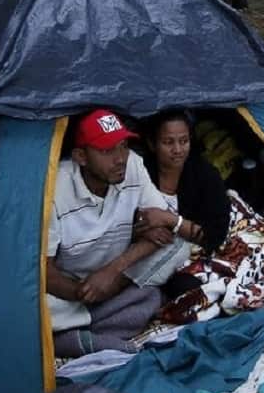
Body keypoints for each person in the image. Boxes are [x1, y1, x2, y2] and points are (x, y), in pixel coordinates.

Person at [47, 109, 193, 358]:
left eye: (123, 145)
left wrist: (113, 271)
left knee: (179, 246)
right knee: (28, 308)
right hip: (70, 287)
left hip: (116, 275)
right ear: (81, 156)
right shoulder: (54, 190)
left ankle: (77, 331)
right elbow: (43, 269)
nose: (120, 158)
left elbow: (164, 224)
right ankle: (84, 329)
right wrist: (83, 293)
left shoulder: (133, 164)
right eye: (106, 151)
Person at [141, 110, 264, 324]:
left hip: (214, 237)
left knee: (186, 288)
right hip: (170, 241)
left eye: (183, 141)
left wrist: (172, 221)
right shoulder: (141, 173)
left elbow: (214, 236)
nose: (177, 150)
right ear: (152, 144)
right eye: (168, 142)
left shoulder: (204, 174)